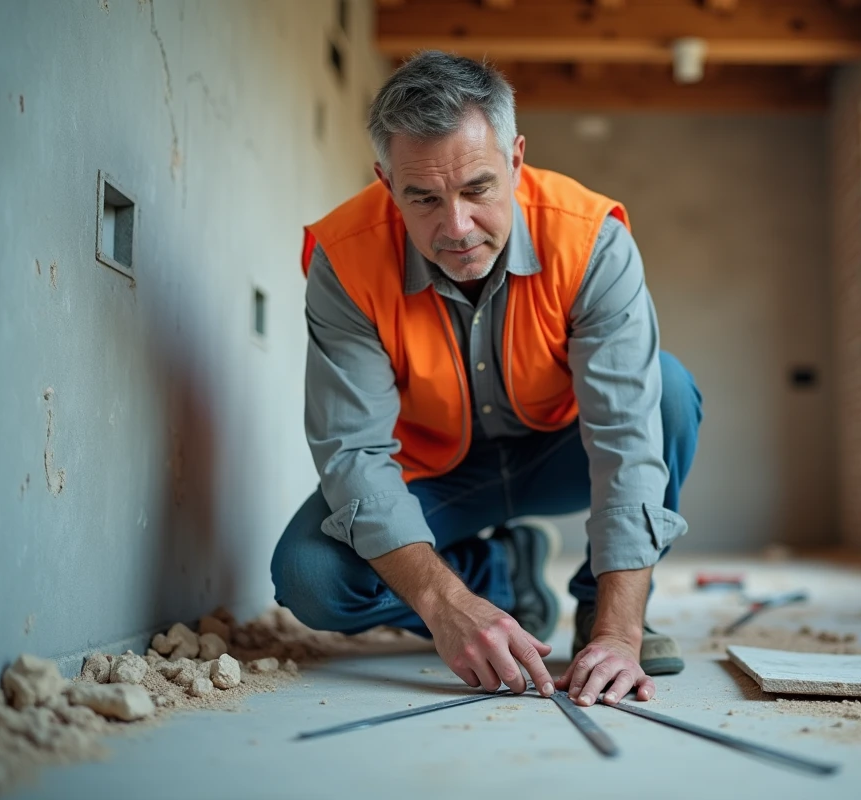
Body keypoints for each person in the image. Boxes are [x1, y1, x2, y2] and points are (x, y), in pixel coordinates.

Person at [270, 51, 702, 708]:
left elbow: (627, 439)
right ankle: (501, 578)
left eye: (477, 189)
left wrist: (620, 633)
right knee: (311, 578)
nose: (456, 227)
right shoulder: (346, 260)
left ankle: (593, 607)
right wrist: (448, 607)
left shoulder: (590, 241)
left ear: (516, 160)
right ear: (387, 184)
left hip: (560, 448)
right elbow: (353, 452)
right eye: (423, 198)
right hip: (434, 474)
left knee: (667, 391)